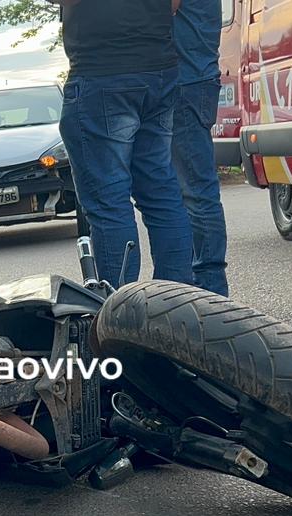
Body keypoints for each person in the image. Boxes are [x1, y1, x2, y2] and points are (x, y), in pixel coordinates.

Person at [52, 0, 194, 288]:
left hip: (103, 71)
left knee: (109, 202)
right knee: (160, 193)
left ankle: (121, 311)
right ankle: (177, 300)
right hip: (158, 68)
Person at [172, 0, 229, 296]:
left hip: (185, 81)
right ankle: (205, 284)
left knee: (195, 191)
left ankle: (210, 287)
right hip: (192, 78)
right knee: (191, 191)